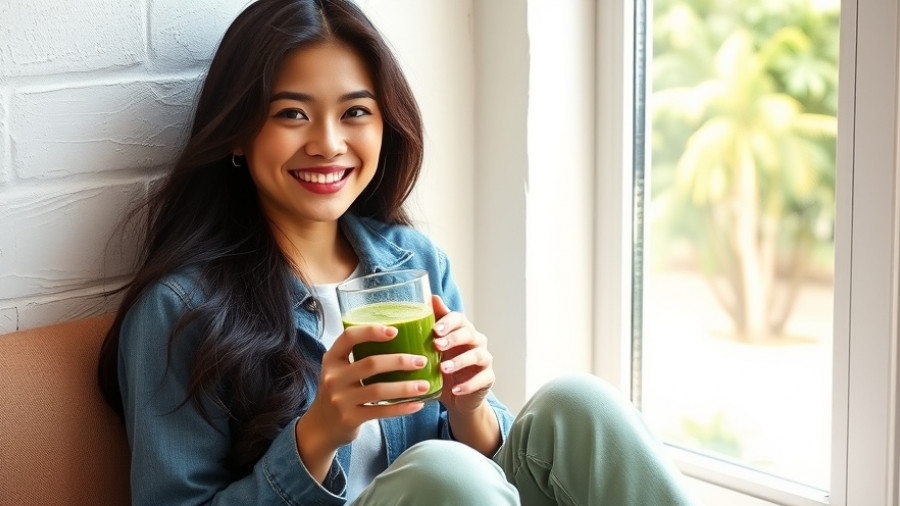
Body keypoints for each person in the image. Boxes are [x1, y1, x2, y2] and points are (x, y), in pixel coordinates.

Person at [97, 0, 699, 504]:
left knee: (579, 405)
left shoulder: (414, 263)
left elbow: (480, 468)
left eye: (355, 111)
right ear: (237, 132)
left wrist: (470, 411)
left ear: (385, 124)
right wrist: (316, 436)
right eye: (292, 114)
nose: (328, 144)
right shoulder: (179, 313)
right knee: (443, 472)